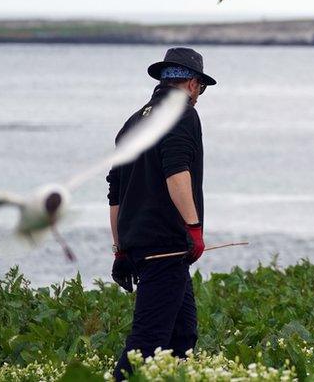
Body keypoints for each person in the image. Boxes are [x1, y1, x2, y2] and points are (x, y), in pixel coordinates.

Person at [108, 47, 216, 380]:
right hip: (165, 245)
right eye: (202, 89)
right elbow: (177, 173)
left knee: (182, 337)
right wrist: (194, 227)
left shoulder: (132, 123)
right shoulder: (182, 113)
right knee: (148, 342)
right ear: (193, 84)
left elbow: (115, 194)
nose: (200, 97)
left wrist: (121, 248)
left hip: (142, 246)